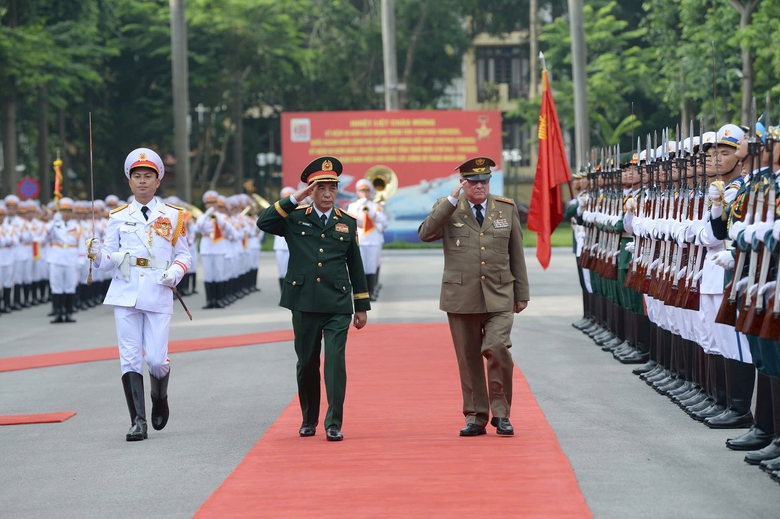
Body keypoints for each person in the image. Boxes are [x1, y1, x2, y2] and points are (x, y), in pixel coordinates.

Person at [256, 156, 371, 442]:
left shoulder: (347, 223)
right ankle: (309, 418)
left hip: (337, 303)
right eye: (321, 188)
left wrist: (362, 307)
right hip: (304, 302)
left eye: (333, 188)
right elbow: (264, 222)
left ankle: (333, 422)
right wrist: (296, 198)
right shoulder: (294, 218)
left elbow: (355, 265)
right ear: (311, 190)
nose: (328, 194)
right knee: (307, 363)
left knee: (334, 362)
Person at [418, 156, 530, 437]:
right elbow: (425, 233)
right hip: (462, 296)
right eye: (473, 181)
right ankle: (476, 416)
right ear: (462, 183)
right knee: (468, 359)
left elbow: (516, 253)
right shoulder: (448, 209)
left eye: (484, 181)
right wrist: (450, 202)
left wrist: (522, 293)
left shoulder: (504, 209)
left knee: (497, 348)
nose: (479, 186)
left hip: (500, 294)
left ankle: (501, 413)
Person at [87, 148, 192, 441]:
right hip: (125, 291)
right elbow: (109, 259)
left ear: (158, 181)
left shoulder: (173, 216)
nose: (142, 181)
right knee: (130, 357)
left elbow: (185, 256)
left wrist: (175, 272)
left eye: (148, 176)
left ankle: (160, 398)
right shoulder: (118, 216)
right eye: (137, 177)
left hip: (158, 290)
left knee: (157, 360)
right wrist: (97, 255)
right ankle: (138, 421)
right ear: (129, 182)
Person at [347, 178, 388, 301]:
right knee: (359, 268)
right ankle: (359, 293)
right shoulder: (353, 206)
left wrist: (371, 213)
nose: (364, 193)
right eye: (362, 191)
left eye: (366, 191)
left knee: (371, 266)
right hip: (359, 240)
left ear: (370, 192)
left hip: (372, 240)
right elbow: (350, 220)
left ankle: (370, 291)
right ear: (358, 192)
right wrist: (360, 207)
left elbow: (384, 221)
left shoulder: (376, 206)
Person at [44, 197, 81, 323]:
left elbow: (81, 244)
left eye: (68, 211)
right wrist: (52, 223)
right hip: (57, 258)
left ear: (72, 212)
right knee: (56, 286)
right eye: (63, 211)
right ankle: (58, 312)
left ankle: (69, 312)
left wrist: (81, 260)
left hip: (71, 259)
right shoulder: (54, 225)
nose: (66, 213)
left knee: (70, 286)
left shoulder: (76, 226)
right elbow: (44, 238)